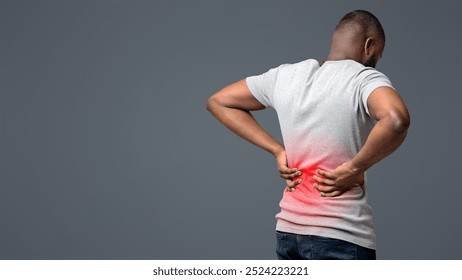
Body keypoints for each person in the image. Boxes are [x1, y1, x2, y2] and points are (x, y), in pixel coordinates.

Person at [206, 10, 410, 260]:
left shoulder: (285, 75)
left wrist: (278, 150)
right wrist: (354, 168)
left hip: (288, 232)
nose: (377, 61)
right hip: (341, 232)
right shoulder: (363, 79)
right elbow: (397, 119)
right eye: (378, 55)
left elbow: (219, 101)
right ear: (370, 46)